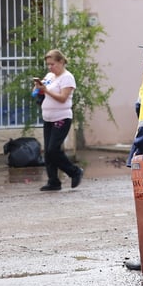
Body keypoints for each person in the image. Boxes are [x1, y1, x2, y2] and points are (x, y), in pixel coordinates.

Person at [33, 49, 83, 191]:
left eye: (52, 64)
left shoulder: (67, 77)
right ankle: (53, 181)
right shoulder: (50, 75)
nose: (50, 67)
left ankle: (74, 171)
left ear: (61, 62)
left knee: (53, 149)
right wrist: (39, 89)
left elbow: (62, 98)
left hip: (61, 118)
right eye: (48, 64)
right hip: (48, 117)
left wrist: (46, 90)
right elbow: (44, 90)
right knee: (48, 152)